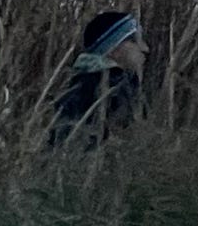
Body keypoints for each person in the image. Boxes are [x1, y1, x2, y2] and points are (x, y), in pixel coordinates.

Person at [48, 10, 148, 147]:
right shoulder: (97, 87)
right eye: (133, 41)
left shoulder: (126, 82)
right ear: (113, 49)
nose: (144, 48)